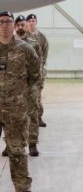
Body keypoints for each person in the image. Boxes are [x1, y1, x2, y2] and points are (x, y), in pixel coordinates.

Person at [0, 11, 41, 192]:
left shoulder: (25, 49)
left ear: (14, 25)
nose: (5, 25)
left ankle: (22, 188)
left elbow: (35, 74)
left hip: (15, 112)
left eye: (8, 21)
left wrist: (22, 98)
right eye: (1, 22)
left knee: (17, 152)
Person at [15, 15, 43, 157]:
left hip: (30, 85)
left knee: (32, 115)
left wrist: (35, 84)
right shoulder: (7, 43)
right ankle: (12, 145)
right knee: (12, 118)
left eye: (23, 25)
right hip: (13, 88)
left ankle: (32, 144)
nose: (21, 27)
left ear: (27, 26)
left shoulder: (34, 43)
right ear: (15, 27)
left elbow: (39, 64)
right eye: (18, 25)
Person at [26, 13, 48, 127]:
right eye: (29, 21)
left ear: (36, 22)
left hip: (38, 72)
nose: (31, 23)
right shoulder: (22, 36)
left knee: (37, 96)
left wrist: (41, 69)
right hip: (24, 73)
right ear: (26, 23)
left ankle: (38, 118)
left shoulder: (41, 37)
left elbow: (44, 54)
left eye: (33, 21)